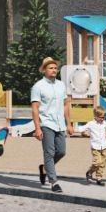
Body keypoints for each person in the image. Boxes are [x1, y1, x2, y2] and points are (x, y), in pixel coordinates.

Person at [31, 57, 71, 193]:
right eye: (50, 68)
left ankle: (44, 168)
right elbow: (35, 108)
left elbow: (65, 105)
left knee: (61, 151)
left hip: (60, 124)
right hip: (46, 123)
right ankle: (54, 182)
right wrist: (37, 128)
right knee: (49, 153)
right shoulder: (38, 86)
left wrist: (69, 124)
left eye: (55, 68)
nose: (54, 70)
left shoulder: (61, 85)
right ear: (44, 70)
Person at [73, 105, 106, 187]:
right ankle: (89, 172)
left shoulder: (105, 123)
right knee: (97, 162)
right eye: (101, 117)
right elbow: (81, 128)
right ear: (95, 116)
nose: (103, 119)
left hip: (104, 146)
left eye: (104, 117)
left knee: (102, 163)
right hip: (95, 147)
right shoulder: (91, 124)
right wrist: (72, 129)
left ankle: (99, 178)